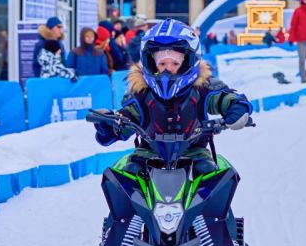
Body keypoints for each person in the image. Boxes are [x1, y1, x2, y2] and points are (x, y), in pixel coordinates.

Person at [91, 19, 253, 179]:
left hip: (195, 152)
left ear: (188, 61)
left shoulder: (202, 87)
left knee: (211, 178)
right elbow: (128, 117)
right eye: (162, 64)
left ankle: (216, 206)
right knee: (127, 177)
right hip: (148, 153)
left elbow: (222, 98)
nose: (167, 70)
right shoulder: (141, 93)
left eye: (175, 63)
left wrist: (235, 106)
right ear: (151, 62)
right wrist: (110, 126)